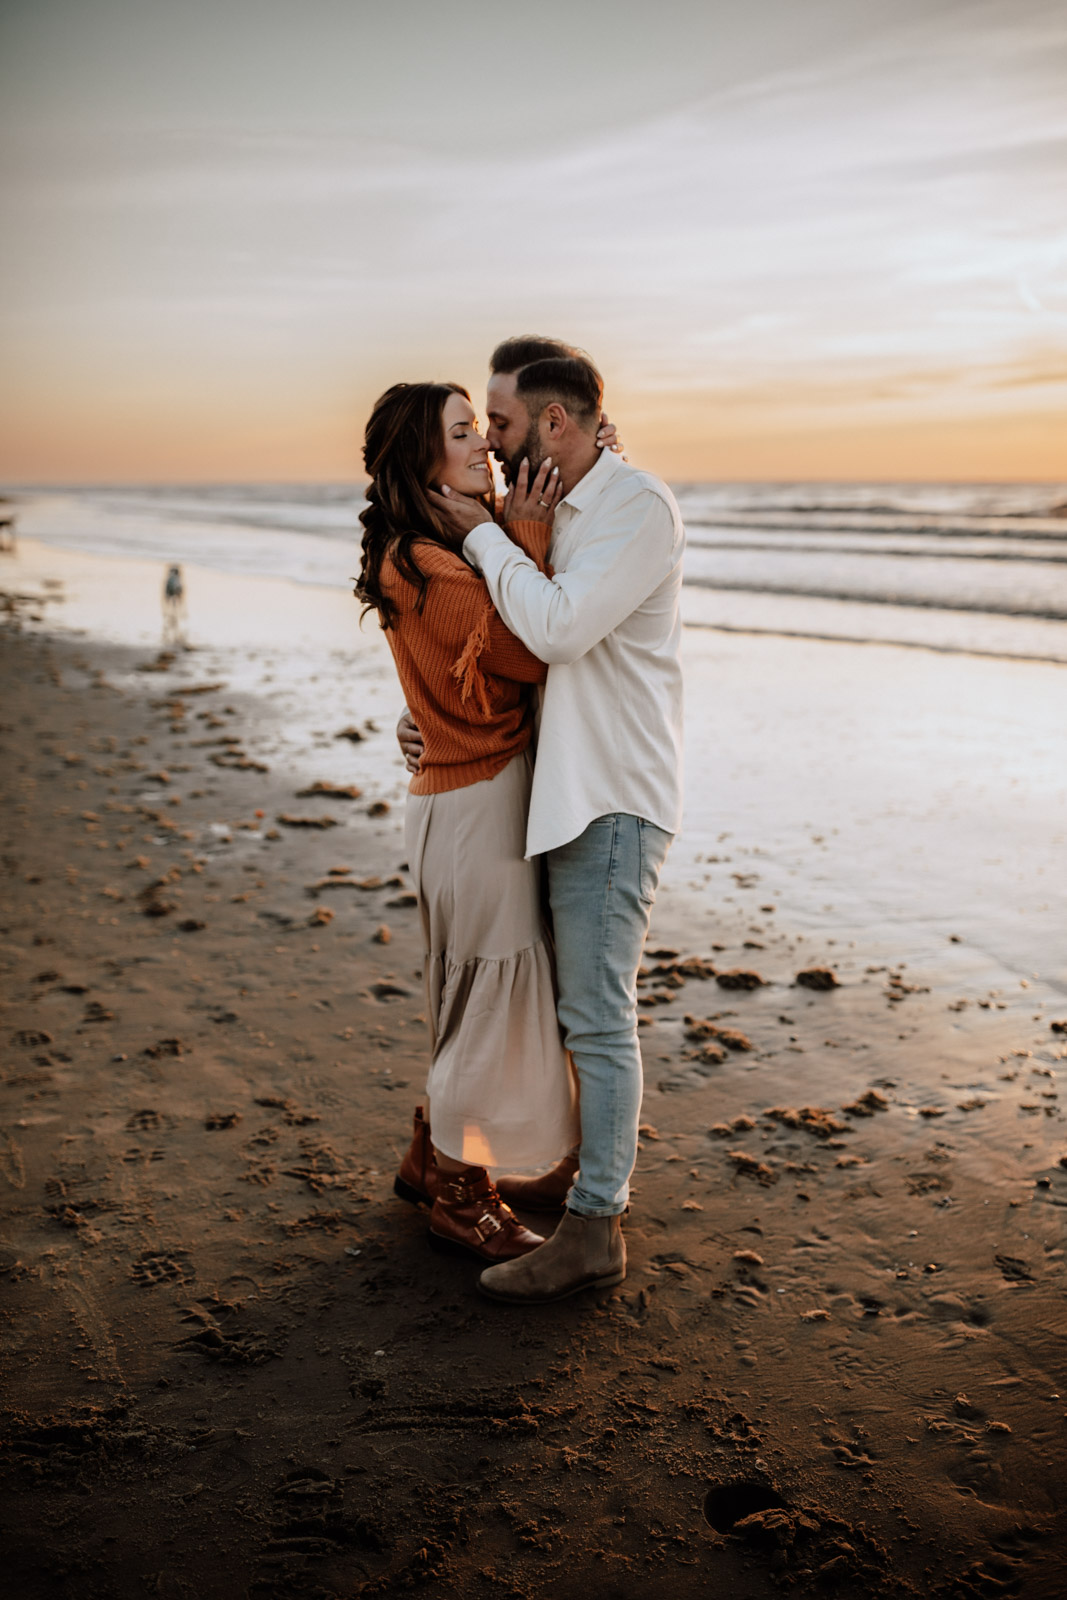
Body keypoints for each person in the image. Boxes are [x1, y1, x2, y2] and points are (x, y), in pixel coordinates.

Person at [403, 336, 685, 1304]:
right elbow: (508, 644)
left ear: (554, 424)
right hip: (556, 793)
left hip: (610, 796)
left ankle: (595, 1230)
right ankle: (572, 1177)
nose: (488, 435)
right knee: (566, 1007)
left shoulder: (634, 508)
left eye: (505, 420)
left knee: (597, 1019)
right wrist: (434, 713)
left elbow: (558, 627)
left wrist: (480, 529)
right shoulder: (557, 506)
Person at [356, 379, 582, 1265]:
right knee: (487, 997)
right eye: (461, 434)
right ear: (423, 460)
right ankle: (458, 1189)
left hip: (462, 794)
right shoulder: (434, 565)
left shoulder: (427, 552)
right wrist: (521, 539)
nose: (483, 446)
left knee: (468, 994)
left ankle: (429, 1153)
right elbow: (533, 651)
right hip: (475, 803)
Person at [162, 564, 185, 646]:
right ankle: (174, 613)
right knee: (175, 603)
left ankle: (170, 613)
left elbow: (167, 589)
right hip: (175, 590)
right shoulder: (177, 579)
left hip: (171, 590)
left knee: (171, 602)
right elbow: (180, 588)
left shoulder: (170, 578)